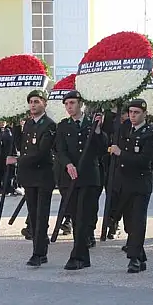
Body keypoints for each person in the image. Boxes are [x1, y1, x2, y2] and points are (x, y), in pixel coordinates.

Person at [54, 90, 105, 270]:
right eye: (67, 104)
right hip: (70, 177)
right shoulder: (63, 126)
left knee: (84, 216)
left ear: (80, 104)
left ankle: (77, 256)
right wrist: (68, 165)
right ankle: (82, 256)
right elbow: (60, 150)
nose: (69, 107)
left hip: (89, 176)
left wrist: (98, 131)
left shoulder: (92, 125)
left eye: (73, 103)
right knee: (76, 217)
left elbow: (101, 150)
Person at [6, 89, 56, 267]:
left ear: (44, 103)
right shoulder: (28, 124)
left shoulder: (49, 125)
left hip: (43, 176)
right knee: (33, 215)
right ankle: (39, 247)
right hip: (29, 176)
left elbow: (41, 153)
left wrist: (18, 160)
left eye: (37, 101)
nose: (33, 105)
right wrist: (15, 125)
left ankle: (39, 253)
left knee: (41, 215)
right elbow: (22, 145)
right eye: (31, 102)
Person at [109, 99, 153, 272]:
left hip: (140, 182)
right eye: (130, 112)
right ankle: (140, 254)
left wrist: (121, 153)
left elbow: (144, 160)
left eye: (136, 112)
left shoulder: (150, 133)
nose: (133, 115)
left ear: (144, 114)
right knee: (129, 222)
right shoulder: (124, 129)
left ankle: (134, 258)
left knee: (137, 221)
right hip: (123, 182)